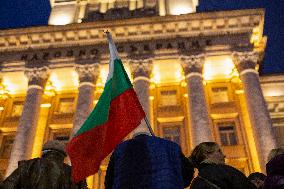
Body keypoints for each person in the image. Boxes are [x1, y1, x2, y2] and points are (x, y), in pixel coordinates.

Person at [104, 121, 194, 189]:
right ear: (149, 135)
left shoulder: (121, 149)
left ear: (134, 137)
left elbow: (109, 181)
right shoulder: (171, 146)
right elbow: (188, 171)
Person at [1, 140, 88, 189]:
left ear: (44, 152)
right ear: (63, 155)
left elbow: (7, 187)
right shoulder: (73, 174)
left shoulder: (28, 166)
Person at [189, 142, 256, 189]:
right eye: (219, 151)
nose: (224, 155)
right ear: (207, 155)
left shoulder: (195, 183)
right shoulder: (224, 171)